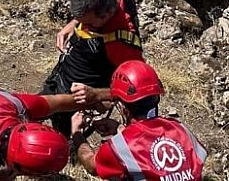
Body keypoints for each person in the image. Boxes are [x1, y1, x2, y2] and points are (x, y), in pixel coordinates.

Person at [70, 61, 208, 180]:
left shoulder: (120, 146)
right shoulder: (180, 129)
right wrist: (120, 130)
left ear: (123, 107)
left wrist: (77, 134)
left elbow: (91, 165)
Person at [41, 0, 144, 136]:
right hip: (61, 75)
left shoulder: (122, 44)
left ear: (107, 14)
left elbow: (135, 88)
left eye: (88, 23)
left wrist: (98, 95)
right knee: (35, 109)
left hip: (77, 98)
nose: (85, 27)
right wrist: (73, 24)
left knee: (62, 139)